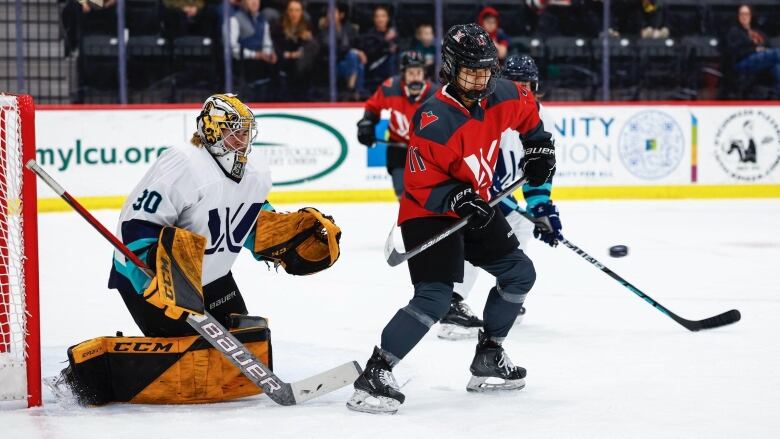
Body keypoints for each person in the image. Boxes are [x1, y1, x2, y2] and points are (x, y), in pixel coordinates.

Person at [46, 94, 341, 405]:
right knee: (185, 359)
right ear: (212, 131)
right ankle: (84, 375)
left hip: (212, 275)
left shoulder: (257, 171)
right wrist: (156, 273)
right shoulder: (184, 163)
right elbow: (136, 224)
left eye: (246, 132)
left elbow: (246, 217)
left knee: (239, 351)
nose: (242, 140)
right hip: (151, 279)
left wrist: (280, 237)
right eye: (234, 131)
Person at [346, 24, 556, 414]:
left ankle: (489, 356)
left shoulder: (504, 92)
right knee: (435, 296)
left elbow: (529, 112)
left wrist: (539, 145)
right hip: (429, 212)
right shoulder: (432, 117)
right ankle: (376, 371)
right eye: (470, 72)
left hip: (475, 204)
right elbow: (419, 183)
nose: (479, 80)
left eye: (485, 71)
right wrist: (457, 196)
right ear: (449, 68)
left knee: (519, 273)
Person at [439, 54, 562, 340]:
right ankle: (452, 304)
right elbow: (474, 158)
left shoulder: (545, 119)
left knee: (522, 226)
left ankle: (508, 294)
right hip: (472, 191)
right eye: (514, 84)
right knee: (476, 236)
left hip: (500, 192)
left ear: (536, 86)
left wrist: (541, 207)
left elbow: (538, 168)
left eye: (526, 85)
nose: (521, 91)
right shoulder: (494, 112)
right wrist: (486, 191)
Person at [357, 51, 437, 199]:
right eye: (411, 73)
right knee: (402, 193)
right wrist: (367, 123)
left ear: (424, 74)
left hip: (425, 148)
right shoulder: (390, 88)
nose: (415, 77)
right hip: (397, 146)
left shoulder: (435, 94)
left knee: (427, 194)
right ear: (403, 75)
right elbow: (373, 107)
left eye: (418, 72)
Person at [727, 4, 780, 96]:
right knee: (777, 53)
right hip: (743, 62)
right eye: (742, 14)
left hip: (761, 60)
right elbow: (735, 51)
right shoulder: (734, 32)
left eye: (747, 14)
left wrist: (765, 51)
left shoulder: (758, 32)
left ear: (751, 16)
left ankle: (775, 92)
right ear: (738, 16)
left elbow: (768, 46)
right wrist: (755, 49)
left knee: (776, 66)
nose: (744, 16)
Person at [272, 0, 320, 100]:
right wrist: (290, 54)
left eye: (297, 10)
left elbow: (313, 47)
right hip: (285, 62)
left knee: (312, 45)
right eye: (291, 10)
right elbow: (276, 48)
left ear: (302, 12)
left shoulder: (307, 26)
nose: (294, 14)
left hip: (303, 64)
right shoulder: (278, 27)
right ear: (287, 12)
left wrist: (308, 39)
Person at [317, 2, 365, 100]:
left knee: (358, 63)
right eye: (328, 13)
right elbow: (329, 49)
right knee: (353, 57)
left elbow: (358, 45)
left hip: (348, 64)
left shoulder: (349, 30)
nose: (330, 16)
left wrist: (356, 52)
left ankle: (352, 90)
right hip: (332, 65)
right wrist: (354, 51)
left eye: (333, 13)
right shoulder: (324, 31)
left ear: (341, 15)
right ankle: (354, 91)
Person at [231, 0, 278, 88]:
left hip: (261, 62)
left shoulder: (263, 20)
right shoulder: (235, 19)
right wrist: (254, 55)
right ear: (243, 2)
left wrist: (269, 54)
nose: (254, 2)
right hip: (243, 63)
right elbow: (232, 48)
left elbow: (267, 43)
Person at [359, 5, 400, 91]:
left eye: (383, 16)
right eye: (377, 16)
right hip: (374, 67)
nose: (380, 19)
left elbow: (398, 49)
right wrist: (385, 41)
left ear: (387, 18)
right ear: (374, 19)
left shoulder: (393, 33)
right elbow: (370, 53)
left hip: (391, 66)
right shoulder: (370, 34)